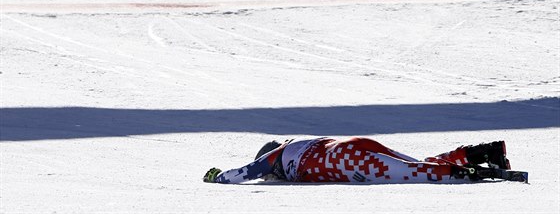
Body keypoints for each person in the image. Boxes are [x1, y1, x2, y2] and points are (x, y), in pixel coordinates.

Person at [203, 137, 510, 184]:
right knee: (418, 163)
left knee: (411, 173)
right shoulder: (299, 143)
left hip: (342, 158)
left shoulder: (279, 154)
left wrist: (218, 176)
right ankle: (482, 152)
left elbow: (248, 171)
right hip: (350, 144)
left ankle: (472, 173)